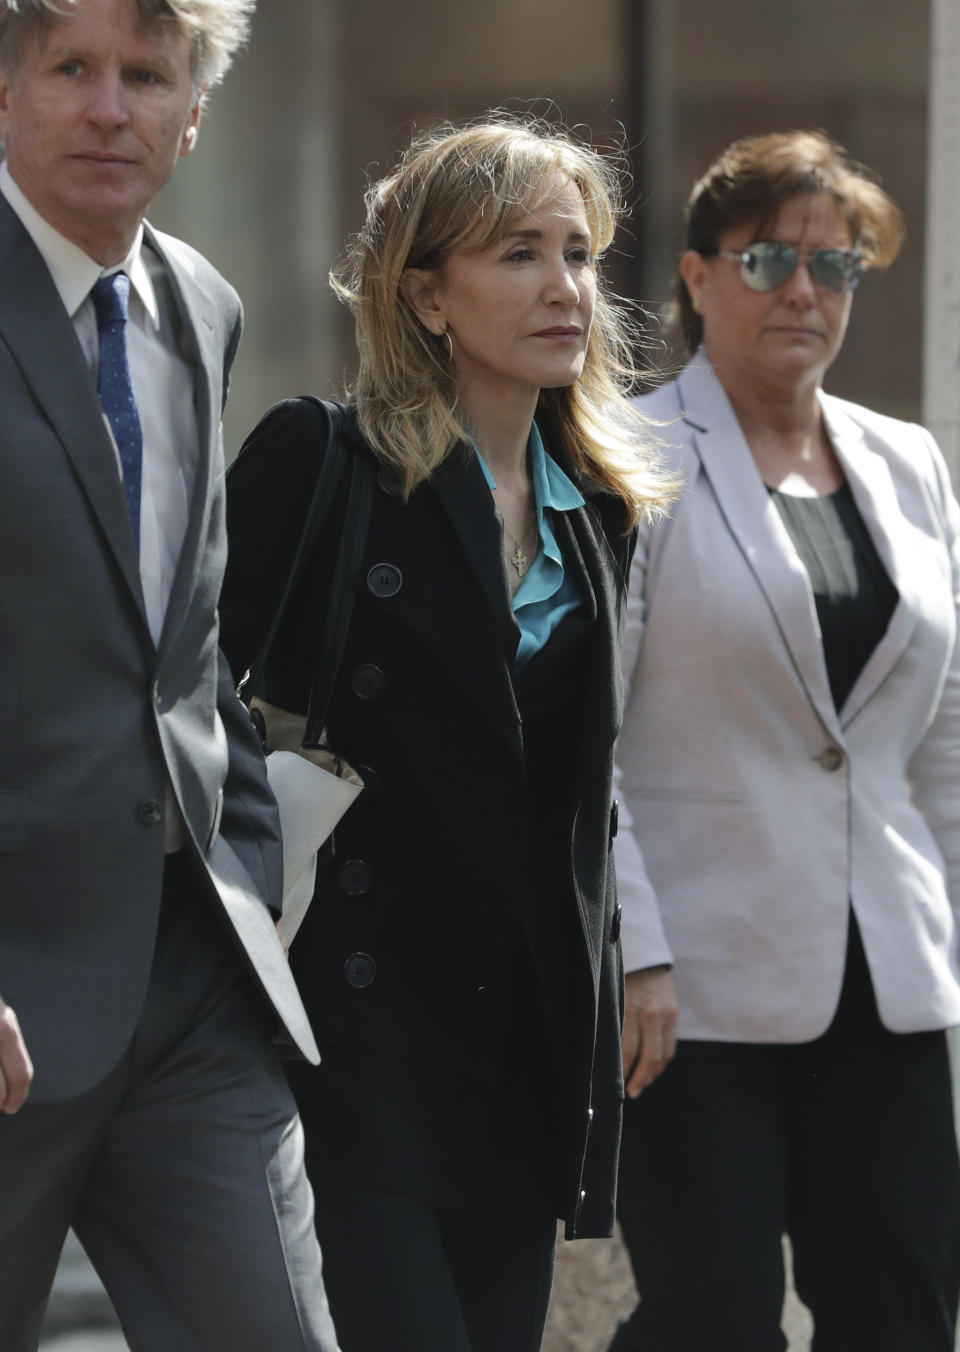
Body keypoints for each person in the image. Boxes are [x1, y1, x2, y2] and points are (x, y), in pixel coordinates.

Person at [220, 116, 677, 1352]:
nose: (565, 286)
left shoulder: (602, 514)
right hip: (356, 1027)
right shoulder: (321, 460)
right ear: (425, 293)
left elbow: (583, 787)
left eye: (578, 252)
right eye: (518, 253)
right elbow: (189, 703)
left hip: (524, 1037)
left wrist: (629, 953)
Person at [0, 2, 340, 1349]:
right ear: (5, 92)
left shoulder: (203, 304)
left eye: (146, 75)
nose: (109, 107)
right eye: (70, 70)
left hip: (191, 983)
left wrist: (247, 883)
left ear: (192, 111)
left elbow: (182, 650)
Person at [608, 129, 960, 1352]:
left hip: (890, 979)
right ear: (698, 277)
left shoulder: (907, 462)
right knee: (714, 1319)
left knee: (905, 1308)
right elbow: (580, 735)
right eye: (766, 259)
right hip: (693, 987)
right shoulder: (629, 455)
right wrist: (631, 944)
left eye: (836, 263)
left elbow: (941, 736)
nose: (805, 289)